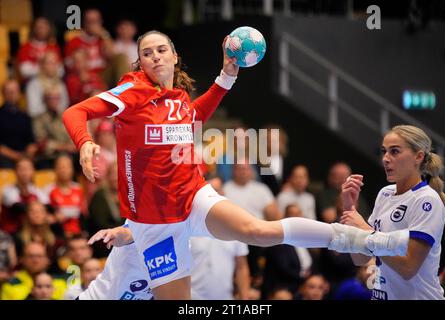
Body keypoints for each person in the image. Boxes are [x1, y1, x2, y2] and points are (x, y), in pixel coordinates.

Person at [62, 30, 410, 299]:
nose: (154, 56)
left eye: (161, 49)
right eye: (146, 53)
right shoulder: (133, 92)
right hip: (155, 225)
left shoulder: (178, 97)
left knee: (258, 231)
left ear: (175, 57)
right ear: (139, 63)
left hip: (192, 196)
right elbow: (75, 112)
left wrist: (227, 75)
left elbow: (193, 116)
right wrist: (86, 142)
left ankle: (363, 241)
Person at [340, 125, 445, 300]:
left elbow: (408, 268)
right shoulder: (385, 194)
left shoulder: (426, 200)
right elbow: (360, 258)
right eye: (384, 151)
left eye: (395, 151)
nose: (386, 159)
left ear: (418, 156)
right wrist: (349, 209)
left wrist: (366, 231)